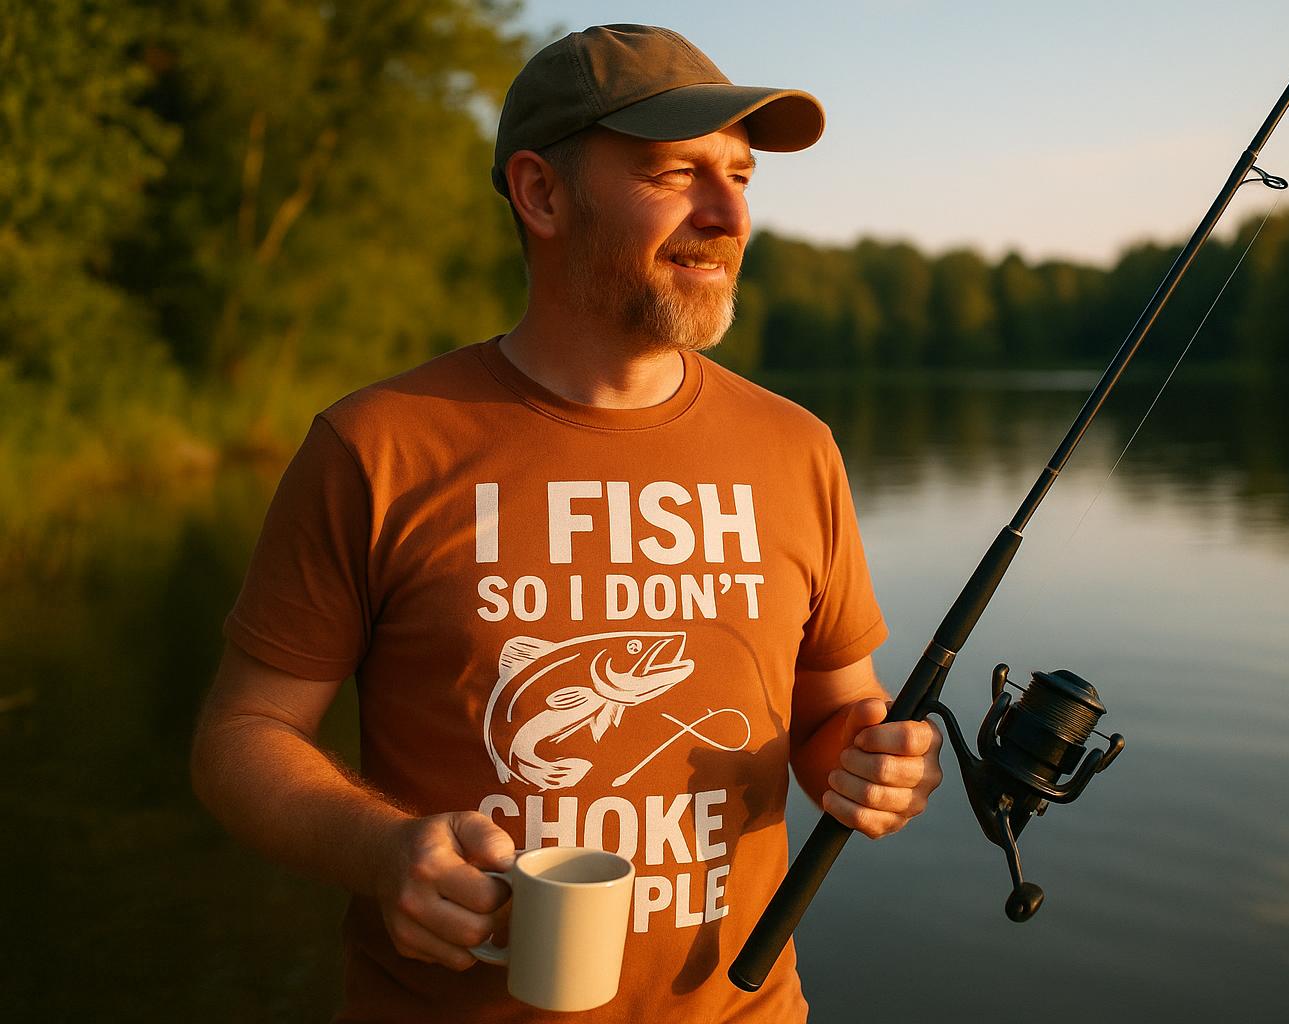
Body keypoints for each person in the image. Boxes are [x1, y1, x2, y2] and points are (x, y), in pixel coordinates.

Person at [190, 23, 942, 1024]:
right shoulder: (378, 446)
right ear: (542, 194)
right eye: (678, 172)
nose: (727, 214)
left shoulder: (798, 447)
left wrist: (872, 761)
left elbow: (834, 716)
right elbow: (241, 738)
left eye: (742, 177)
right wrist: (382, 852)